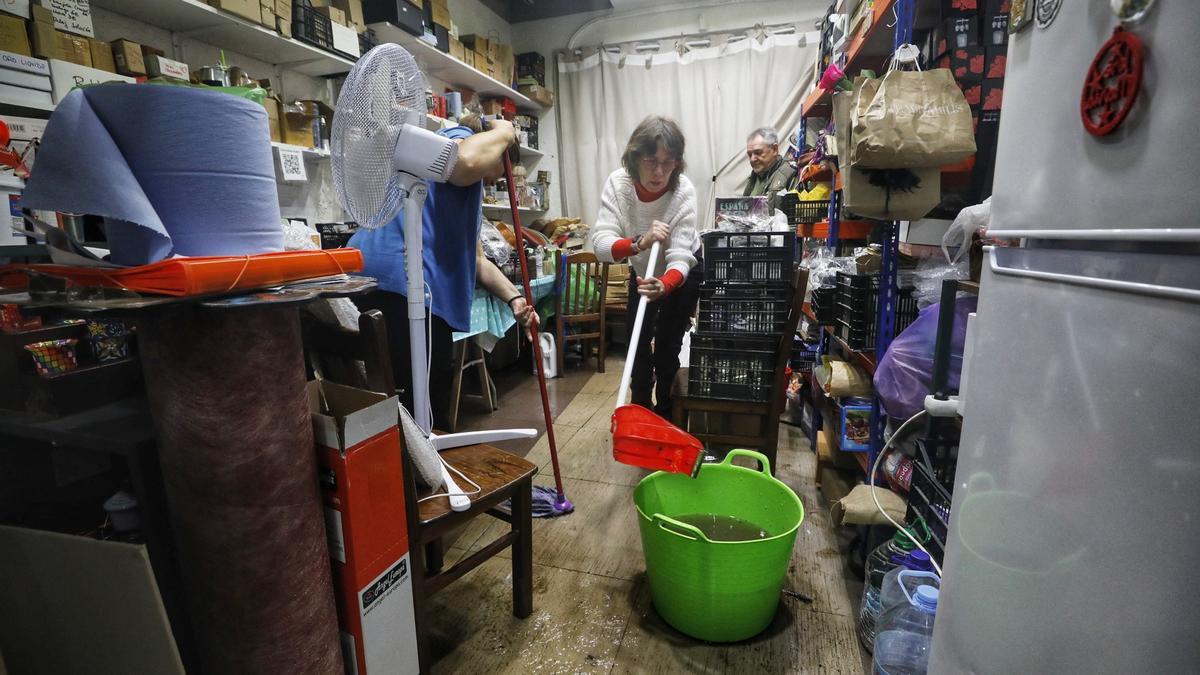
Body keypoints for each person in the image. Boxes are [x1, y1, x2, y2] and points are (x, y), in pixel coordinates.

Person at [351, 112, 537, 430]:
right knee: (420, 408)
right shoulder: (452, 144)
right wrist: (505, 133)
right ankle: (422, 474)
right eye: (502, 165)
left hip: (367, 278)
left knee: (394, 401)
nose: (497, 178)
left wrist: (514, 298)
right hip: (403, 287)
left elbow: (478, 262)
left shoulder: (451, 185)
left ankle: (412, 468)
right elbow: (463, 160)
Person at [592, 116, 701, 418]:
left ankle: (666, 414)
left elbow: (680, 256)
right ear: (635, 157)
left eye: (668, 163)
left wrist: (665, 284)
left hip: (681, 274)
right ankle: (641, 408)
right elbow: (601, 245)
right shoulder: (618, 184)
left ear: (677, 163)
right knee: (636, 343)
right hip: (642, 268)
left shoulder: (683, 192)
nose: (659, 172)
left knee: (667, 345)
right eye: (651, 160)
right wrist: (640, 242)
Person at [743, 127, 797, 212]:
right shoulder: (753, 178)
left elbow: (796, 219)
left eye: (758, 153)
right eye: (750, 154)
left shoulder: (790, 174)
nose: (752, 159)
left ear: (775, 149)